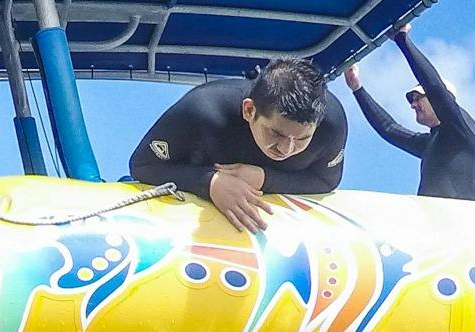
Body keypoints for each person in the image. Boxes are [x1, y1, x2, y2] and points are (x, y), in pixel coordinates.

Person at [128, 56, 348, 232]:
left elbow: (325, 181)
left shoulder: (331, 124)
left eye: (301, 139)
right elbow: (142, 165)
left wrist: (265, 179)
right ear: (249, 110)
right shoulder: (204, 108)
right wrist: (210, 183)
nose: (286, 149)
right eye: (276, 133)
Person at [343, 28, 475, 200]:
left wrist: (401, 39)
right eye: (411, 100)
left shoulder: (464, 132)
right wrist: (357, 88)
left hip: (462, 225)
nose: (413, 105)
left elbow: (434, 87)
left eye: (418, 98)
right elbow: (389, 128)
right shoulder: (430, 143)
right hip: (430, 224)